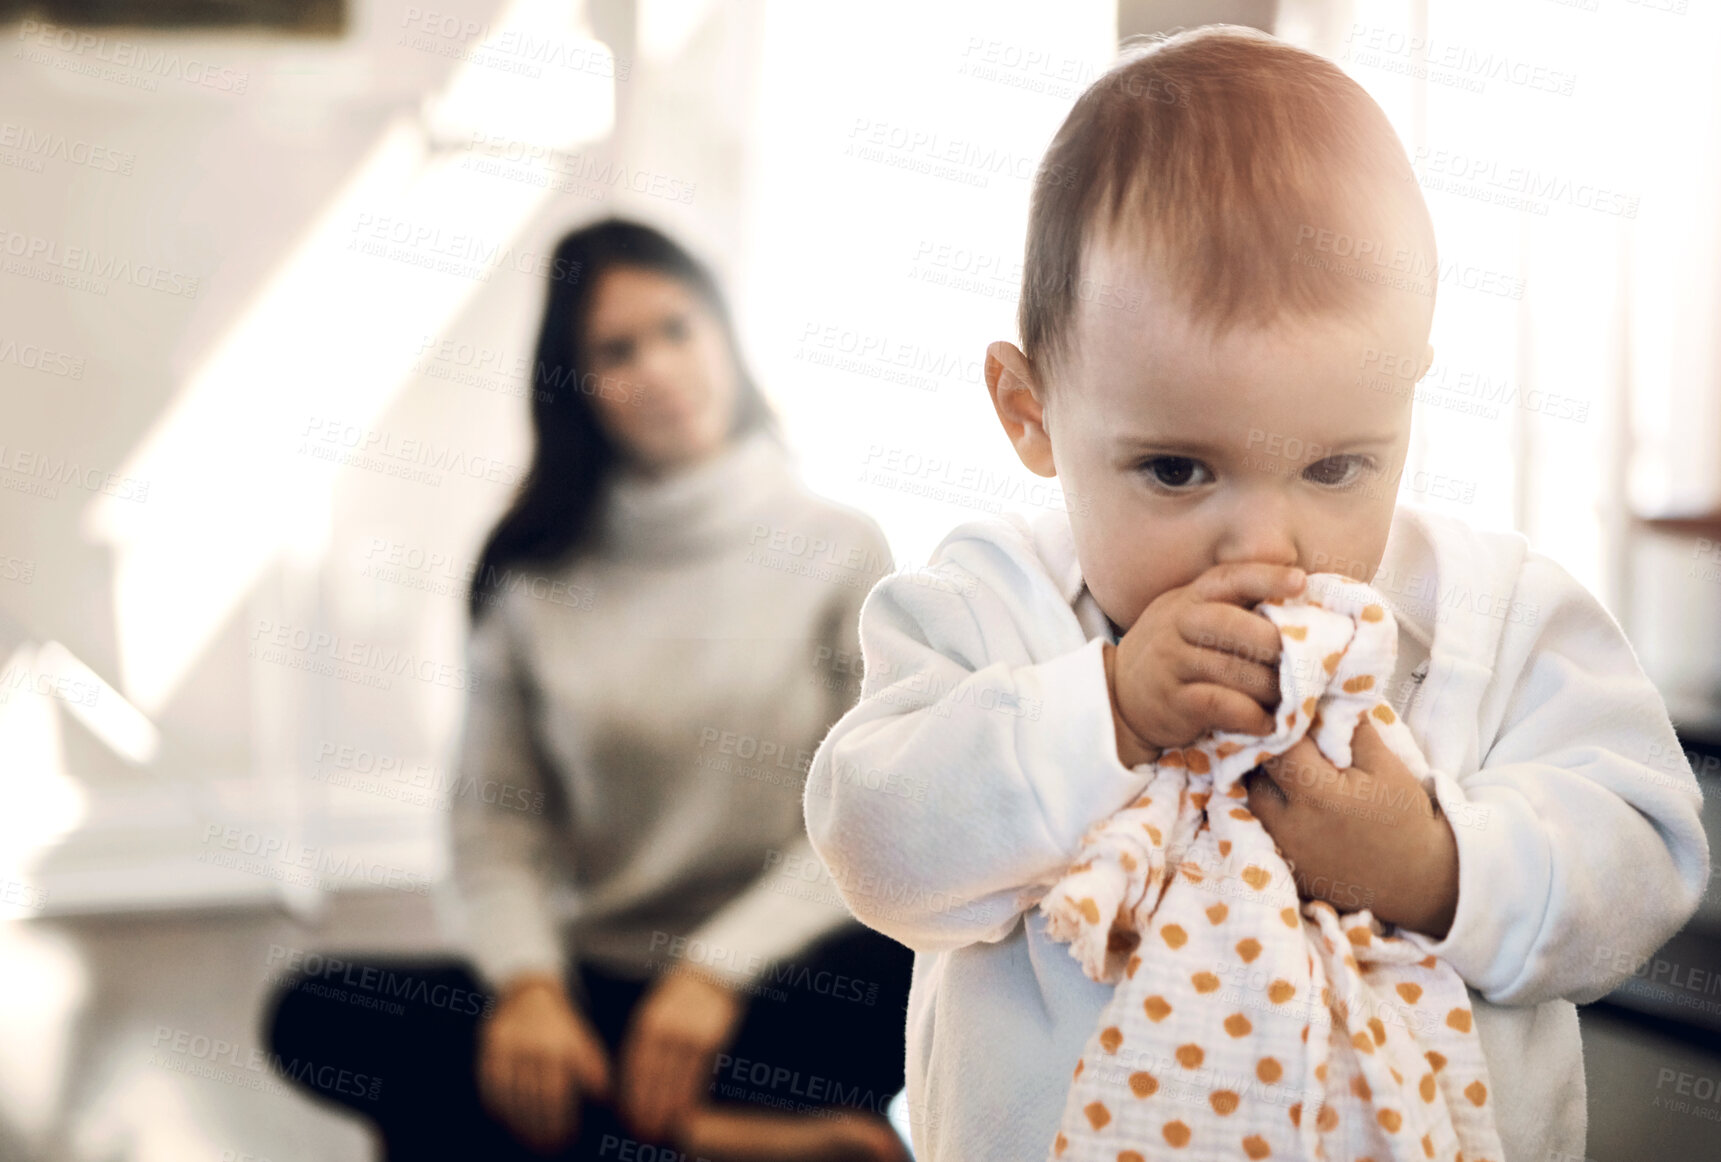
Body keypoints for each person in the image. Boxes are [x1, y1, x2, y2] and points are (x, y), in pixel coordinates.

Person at [803, 26, 1709, 1162]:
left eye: (1336, 467)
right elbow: (870, 840)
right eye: (1176, 470)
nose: (1269, 546)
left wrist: (1435, 865)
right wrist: (1106, 712)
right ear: (1029, 411)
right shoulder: (987, 608)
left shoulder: (1496, 616)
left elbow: (1642, 862)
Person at [264, 218, 914, 1162]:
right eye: (615, 350)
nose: (657, 367)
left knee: (923, 962)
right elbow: (496, 834)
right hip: (600, 984)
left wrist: (712, 973)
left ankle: (601, 1137)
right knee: (314, 1011)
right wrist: (528, 988)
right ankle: (711, 1141)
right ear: (578, 390)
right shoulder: (531, 580)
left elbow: (870, 812)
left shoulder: (841, 549)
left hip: (785, 982)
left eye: (678, 328)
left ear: (725, 333)